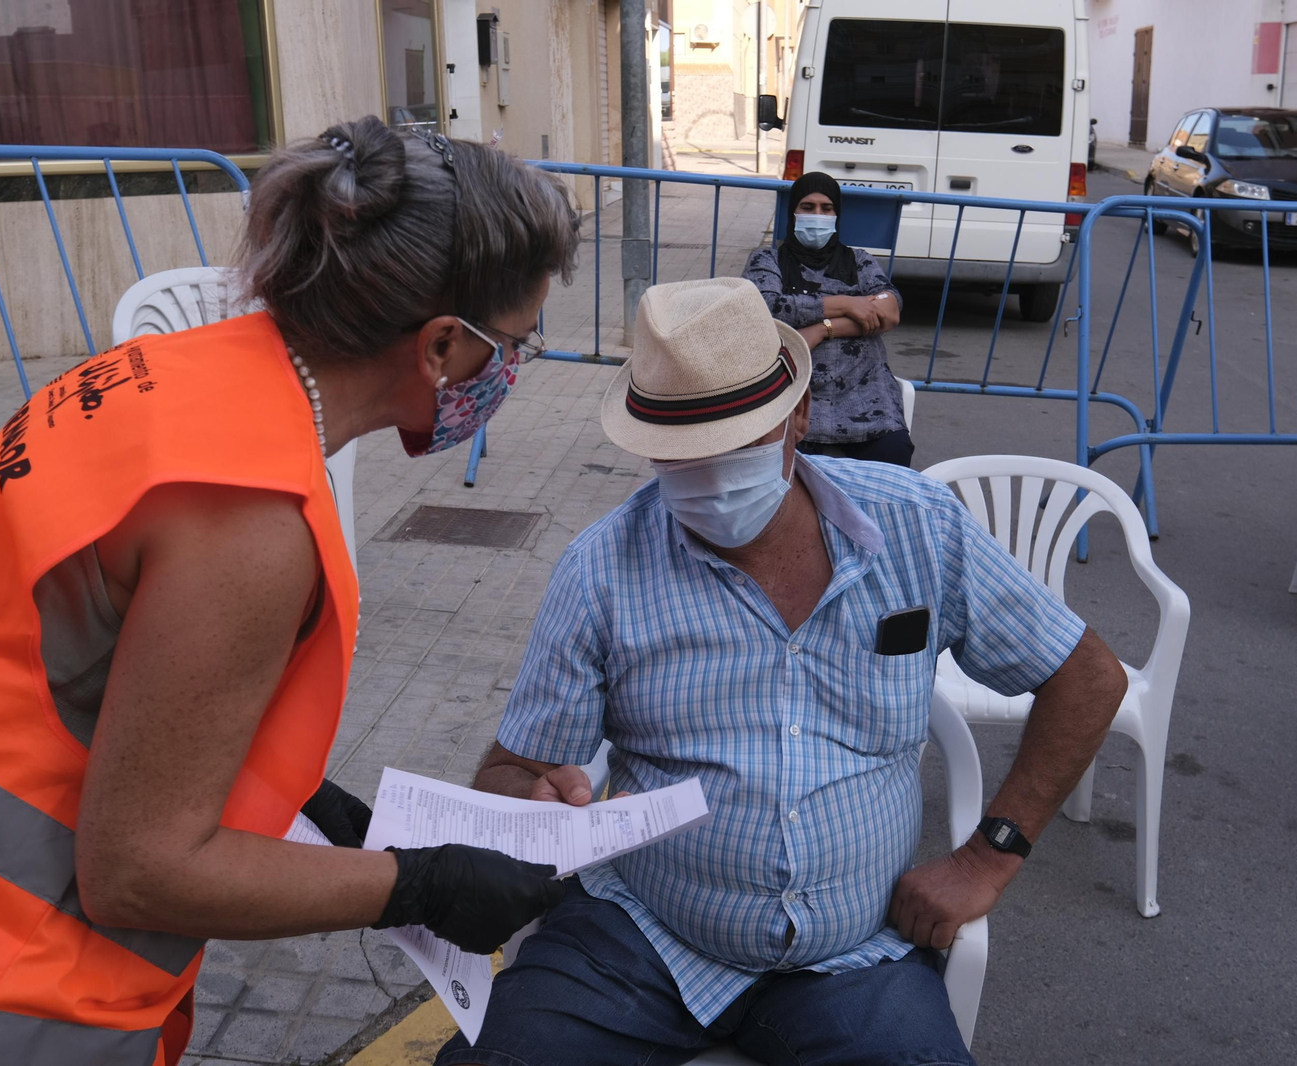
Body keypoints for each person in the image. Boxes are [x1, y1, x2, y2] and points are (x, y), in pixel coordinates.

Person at [0, 117, 578, 1065]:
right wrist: (413, 887)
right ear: (439, 348)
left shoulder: (163, 375)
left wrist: (310, 808)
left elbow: (101, 675)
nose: (512, 371)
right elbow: (139, 875)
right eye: (516, 346)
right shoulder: (253, 521)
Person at [436, 277, 1128, 1066]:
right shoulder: (602, 567)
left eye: (738, 443)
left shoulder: (917, 527)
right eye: (683, 455)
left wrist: (988, 854)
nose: (711, 473)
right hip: (640, 937)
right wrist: (529, 804)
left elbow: (1087, 677)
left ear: (799, 417)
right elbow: (511, 771)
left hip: (854, 955)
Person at [742, 171, 913, 466]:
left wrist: (822, 329)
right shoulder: (767, 261)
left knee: (894, 454)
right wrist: (849, 303)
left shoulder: (859, 261)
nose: (817, 215)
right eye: (807, 207)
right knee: (780, 472)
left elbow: (890, 309)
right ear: (792, 213)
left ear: (837, 214)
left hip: (864, 390)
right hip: (793, 391)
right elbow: (768, 307)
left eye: (826, 208)